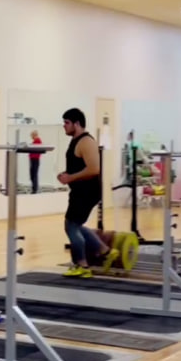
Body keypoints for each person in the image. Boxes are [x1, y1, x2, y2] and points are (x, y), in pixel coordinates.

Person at [59, 108, 111, 277]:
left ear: (77, 123)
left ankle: (82, 265)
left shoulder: (86, 142)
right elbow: (79, 166)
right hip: (80, 190)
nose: (64, 126)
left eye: (67, 122)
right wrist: (67, 175)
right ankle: (104, 250)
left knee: (71, 226)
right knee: (75, 225)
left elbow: (94, 169)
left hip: (87, 191)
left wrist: (71, 177)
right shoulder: (75, 141)